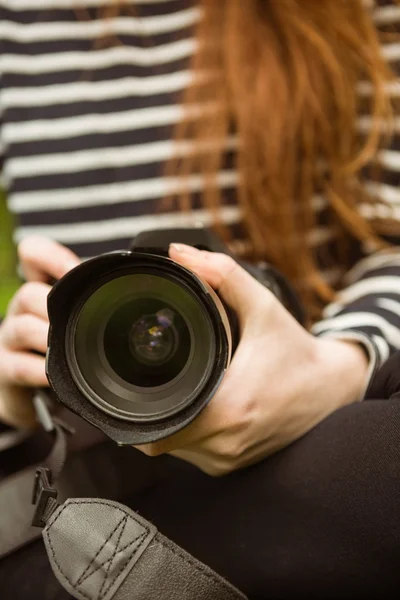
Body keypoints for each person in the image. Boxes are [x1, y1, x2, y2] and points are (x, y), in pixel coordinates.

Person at [0, 0, 400, 597]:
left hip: (322, 422)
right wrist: (16, 401)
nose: (156, 332)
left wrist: (336, 368)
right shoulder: (16, 23)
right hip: (109, 457)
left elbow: (391, 235)